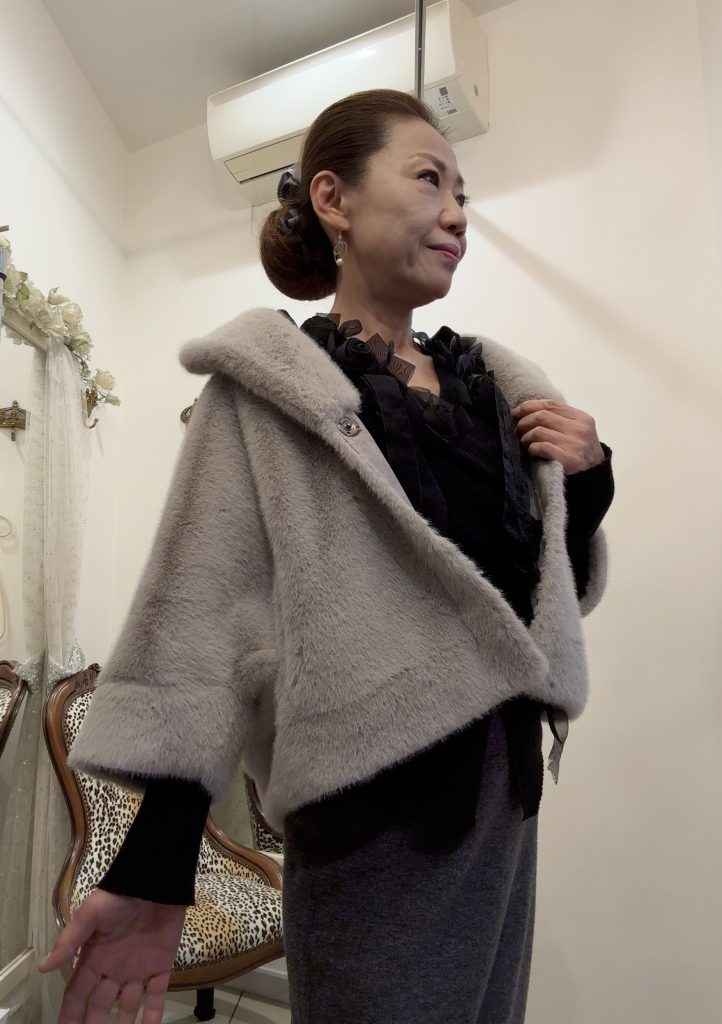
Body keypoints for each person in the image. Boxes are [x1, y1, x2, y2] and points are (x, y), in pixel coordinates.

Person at [39, 89, 614, 1024]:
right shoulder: (268, 395)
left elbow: (542, 605)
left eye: (463, 193)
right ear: (334, 200)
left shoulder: (498, 394)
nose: (457, 214)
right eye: (429, 179)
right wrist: (155, 868)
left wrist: (587, 485)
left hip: (505, 807)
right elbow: (204, 627)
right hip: (371, 827)